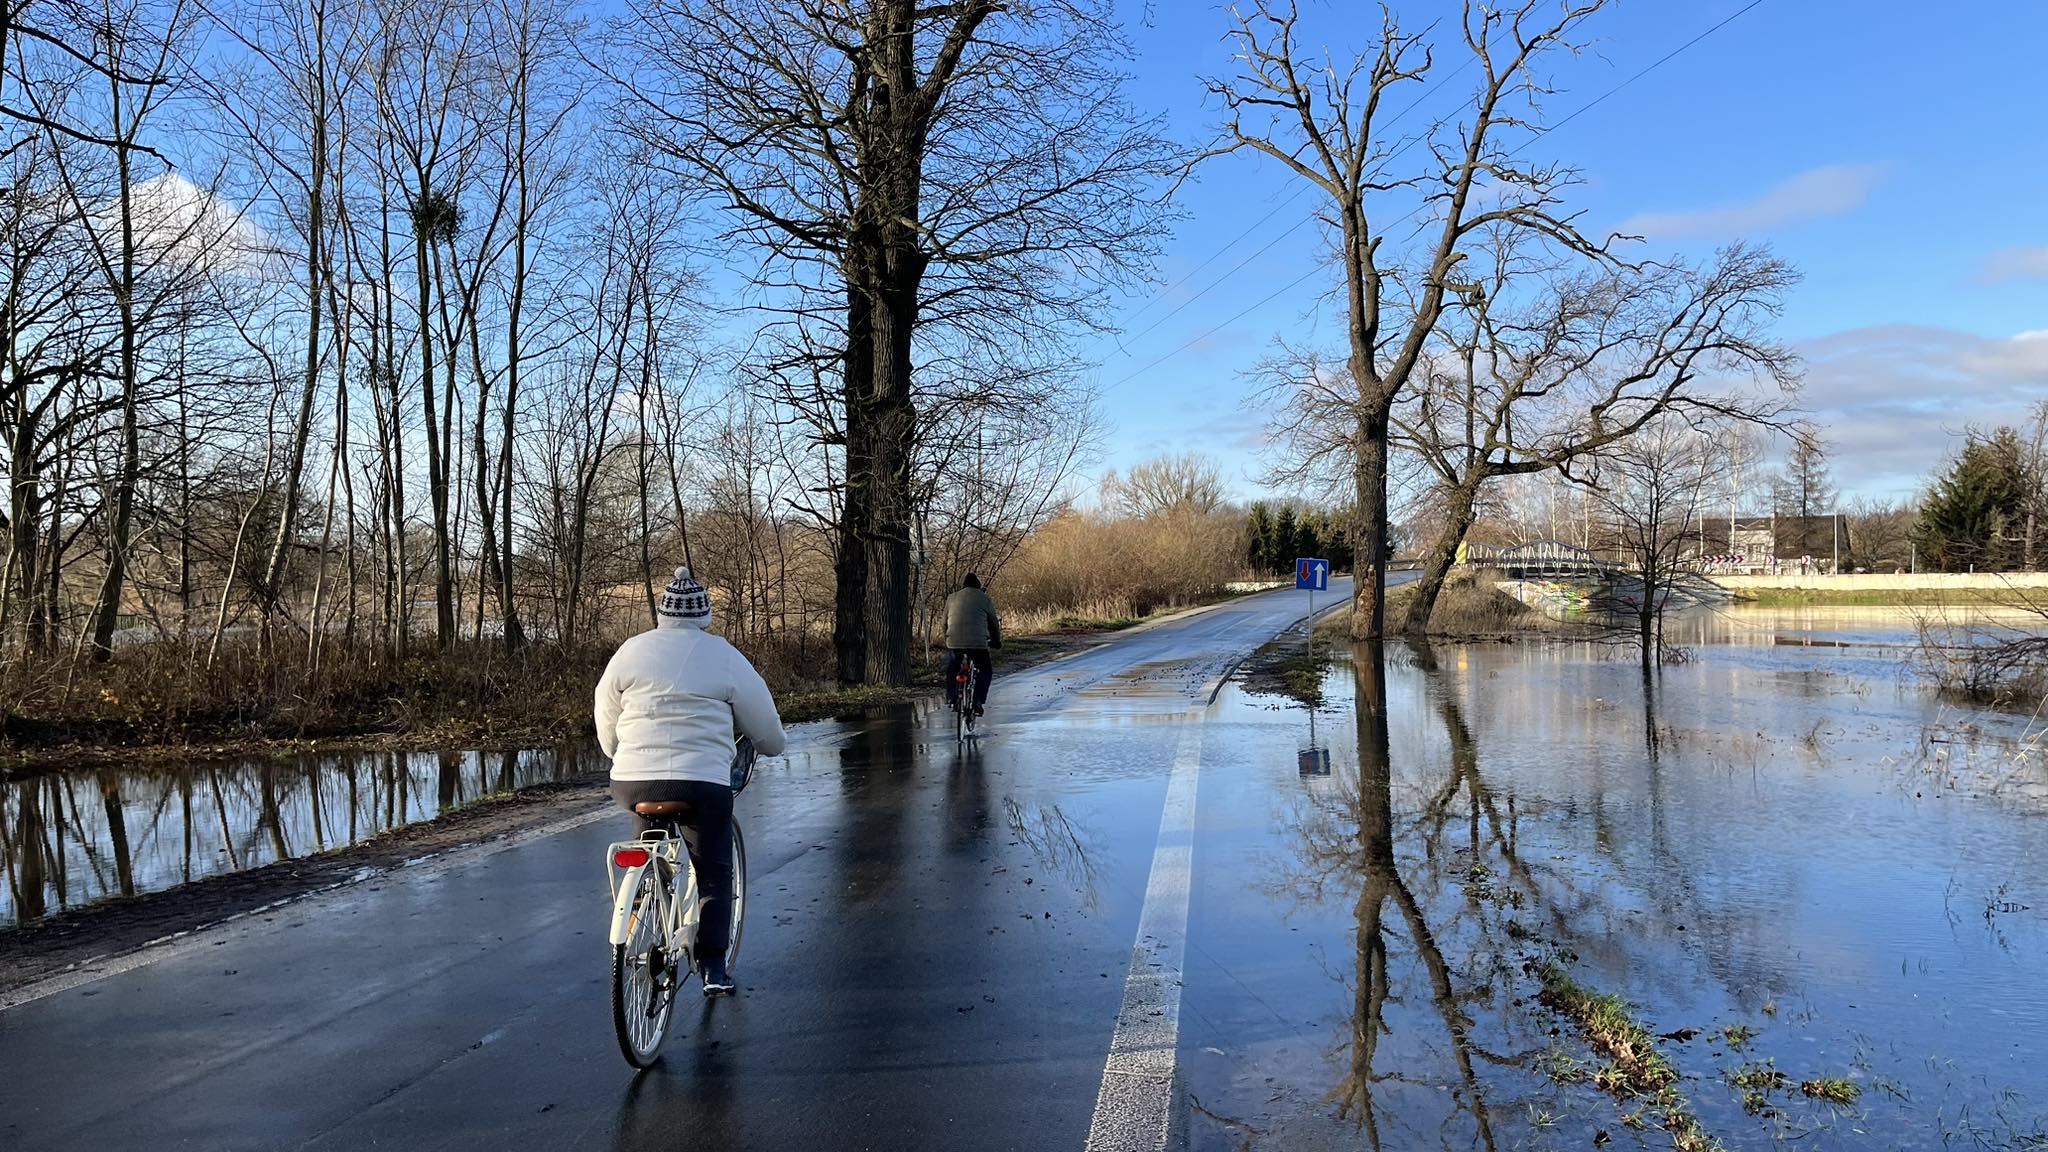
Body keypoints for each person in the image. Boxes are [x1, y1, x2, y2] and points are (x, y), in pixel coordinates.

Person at [594, 566, 785, 996]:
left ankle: (645, 911)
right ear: (704, 616)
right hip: (701, 785)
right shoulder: (723, 656)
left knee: (649, 851)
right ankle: (713, 967)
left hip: (632, 781)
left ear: (662, 614)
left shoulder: (630, 651)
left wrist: (617, 754)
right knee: (715, 869)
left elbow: (605, 713)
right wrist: (775, 744)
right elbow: (766, 729)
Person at [942, 572, 1002, 716]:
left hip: (954, 643)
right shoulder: (985, 599)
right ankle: (978, 700)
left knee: (952, 669)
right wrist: (996, 641)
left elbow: (944, 623)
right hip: (978, 645)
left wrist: (947, 638)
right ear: (978, 586)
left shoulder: (951, 598)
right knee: (986, 671)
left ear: (963, 586)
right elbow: (993, 623)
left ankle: (952, 697)